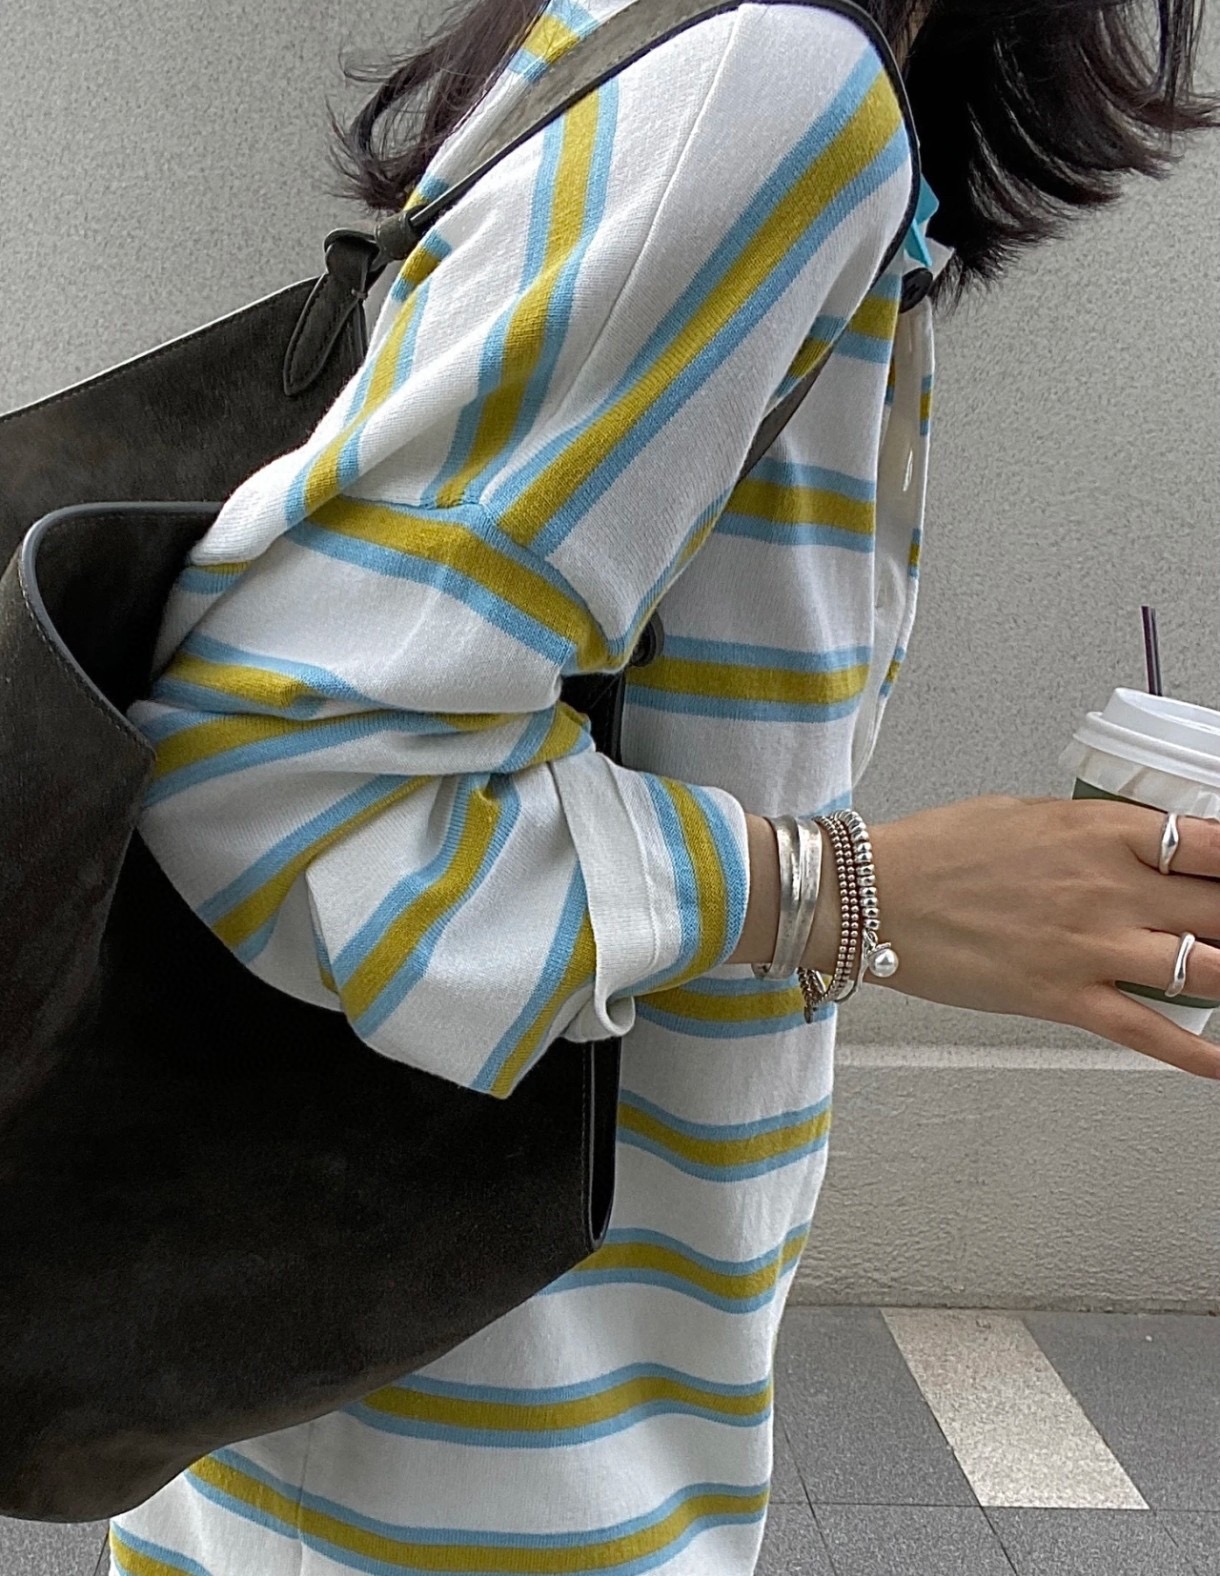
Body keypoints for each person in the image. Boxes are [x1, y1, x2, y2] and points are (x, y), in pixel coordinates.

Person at [108, 0, 1218, 1571]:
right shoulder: (769, 85)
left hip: (496, 1402)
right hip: (460, 1461)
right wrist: (850, 895)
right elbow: (271, 772)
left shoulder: (743, 79)